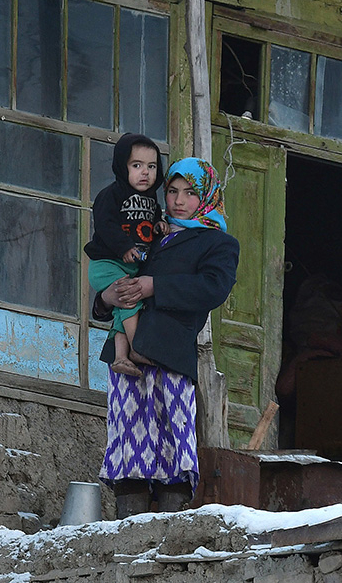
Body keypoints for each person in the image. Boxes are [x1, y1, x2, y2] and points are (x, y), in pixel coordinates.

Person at [94, 157, 239, 517]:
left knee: (173, 441)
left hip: (171, 354)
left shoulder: (218, 243)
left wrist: (153, 285)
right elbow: (120, 273)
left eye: (190, 193)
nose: (178, 200)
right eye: (172, 191)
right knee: (128, 440)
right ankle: (127, 527)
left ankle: (169, 527)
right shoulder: (150, 232)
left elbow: (212, 289)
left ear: (207, 197)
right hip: (127, 353)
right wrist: (105, 298)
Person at [84, 134, 165, 378]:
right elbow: (106, 225)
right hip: (107, 264)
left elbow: (152, 222)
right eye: (136, 165)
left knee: (125, 304)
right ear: (122, 166)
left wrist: (161, 224)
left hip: (129, 268)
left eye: (151, 167)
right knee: (130, 299)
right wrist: (124, 247)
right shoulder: (111, 195)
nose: (145, 173)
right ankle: (138, 348)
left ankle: (121, 357)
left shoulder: (152, 200)